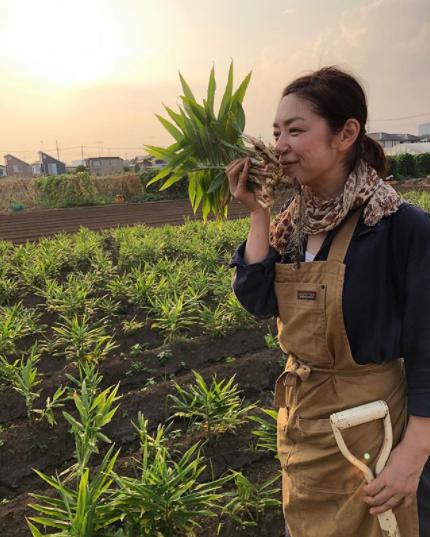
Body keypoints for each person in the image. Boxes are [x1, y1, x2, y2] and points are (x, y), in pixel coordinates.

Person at [227, 66, 430, 537]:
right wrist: (260, 214)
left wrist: (413, 454)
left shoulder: (400, 228)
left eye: (296, 130)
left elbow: (426, 349)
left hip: (375, 434)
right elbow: (257, 300)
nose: (279, 145)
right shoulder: (293, 225)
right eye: (276, 132)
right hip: (306, 427)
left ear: (346, 134)